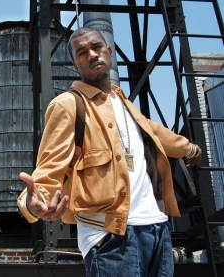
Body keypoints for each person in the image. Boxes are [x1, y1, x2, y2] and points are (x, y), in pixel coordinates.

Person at [17, 27, 202, 277]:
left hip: (157, 228)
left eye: (96, 47)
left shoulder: (124, 104)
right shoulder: (69, 104)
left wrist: (190, 150)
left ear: (109, 52)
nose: (92, 55)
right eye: (82, 52)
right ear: (75, 63)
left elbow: (158, 134)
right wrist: (32, 203)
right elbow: (49, 168)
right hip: (112, 236)